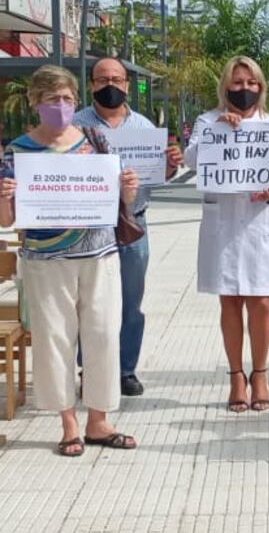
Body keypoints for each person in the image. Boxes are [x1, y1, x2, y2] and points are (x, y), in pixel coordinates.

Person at [0, 65, 140, 456]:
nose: (59, 106)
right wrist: (3, 195)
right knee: (55, 340)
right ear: (35, 103)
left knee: (102, 335)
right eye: (50, 100)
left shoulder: (94, 141)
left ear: (75, 101)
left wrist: (127, 189)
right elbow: (8, 221)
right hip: (45, 261)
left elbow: (118, 204)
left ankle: (99, 419)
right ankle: (68, 424)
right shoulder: (19, 150)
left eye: (65, 99)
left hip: (99, 255)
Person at [74, 56, 183, 396]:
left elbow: (159, 177)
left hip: (132, 225)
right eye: (102, 79)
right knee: (89, 302)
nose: (110, 85)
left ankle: (125, 370)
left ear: (126, 85)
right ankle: (89, 370)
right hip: (88, 228)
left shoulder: (144, 127)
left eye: (117, 79)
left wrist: (169, 166)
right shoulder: (75, 125)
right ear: (91, 84)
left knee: (130, 301)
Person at [184, 56, 269, 413]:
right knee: (229, 300)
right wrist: (218, 134)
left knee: (261, 302)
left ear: (261, 86)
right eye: (237, 83)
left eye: (251, 83)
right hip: (222, 222)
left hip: (258, 221)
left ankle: (260, 374)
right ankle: (236, 376)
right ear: (226, 86)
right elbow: (191, 160)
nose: (244, 89)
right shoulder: (207, 122)